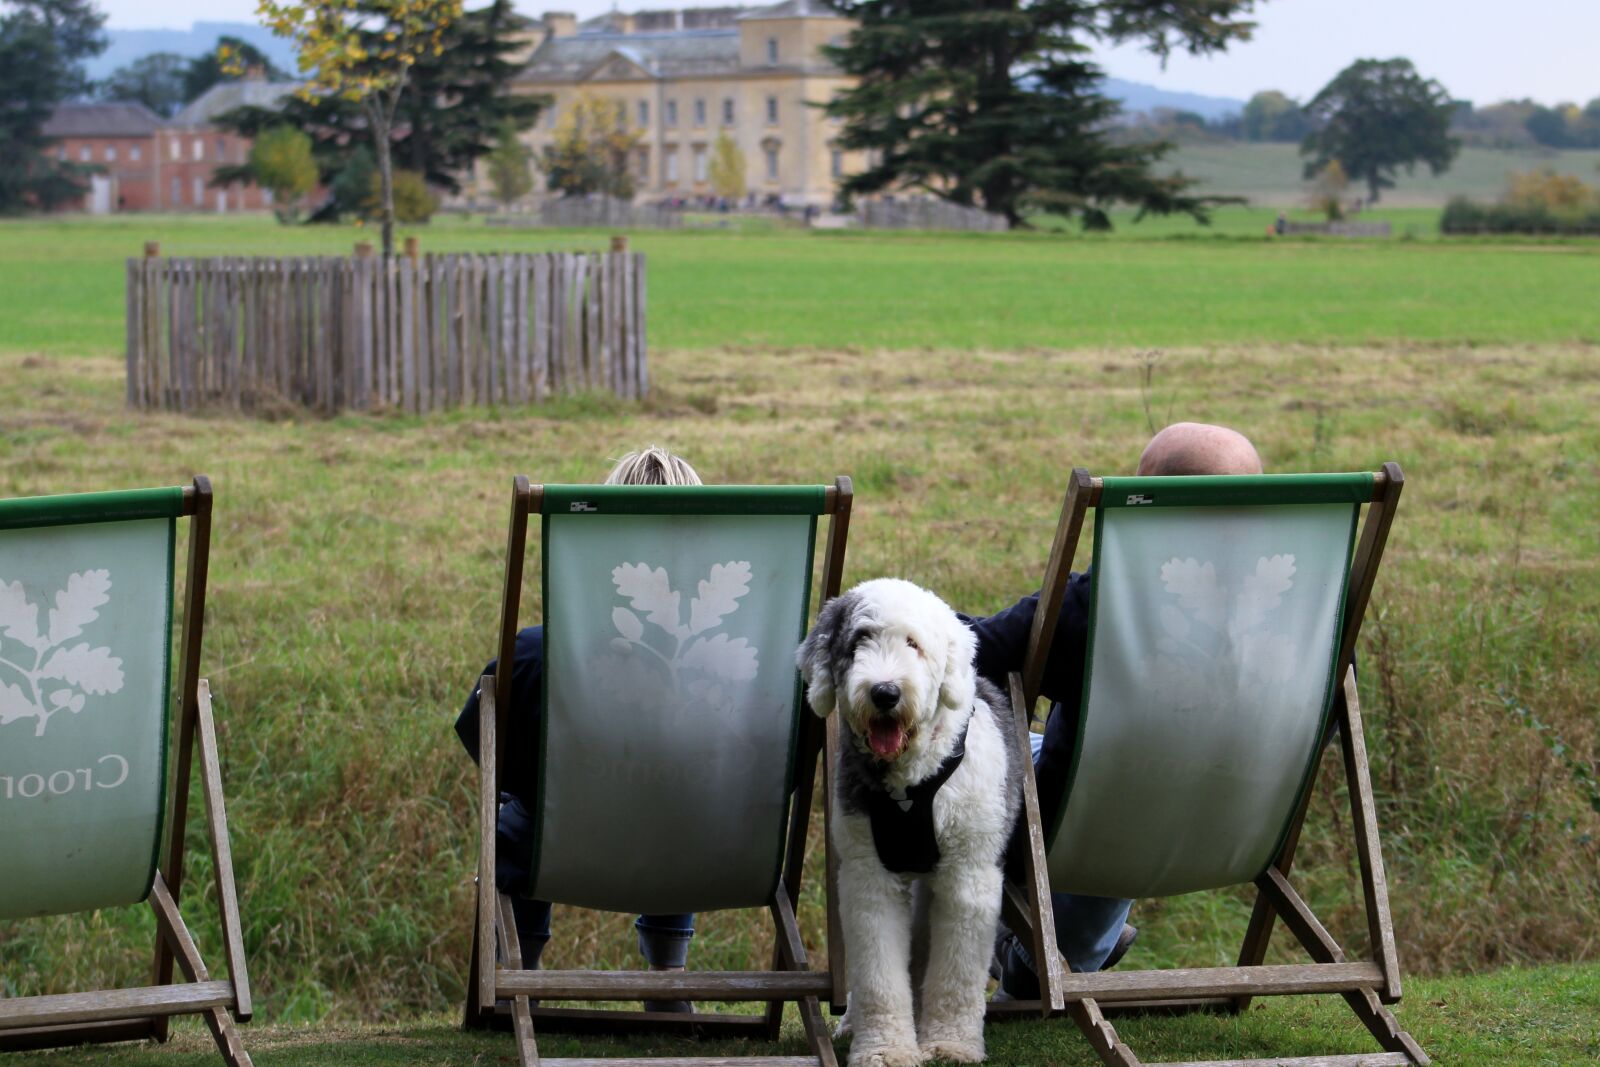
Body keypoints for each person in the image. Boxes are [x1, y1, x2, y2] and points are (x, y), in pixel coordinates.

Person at [962, 423, 1265, 995]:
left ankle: (1019, 958)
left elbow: (968, 653)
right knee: (1132, 777)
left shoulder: (1100, 606)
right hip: (1238, 823)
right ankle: (1052, 959)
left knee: (1078, 780)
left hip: (1101, 812)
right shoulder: (1306, 614)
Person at [454, 446, 704, 1012]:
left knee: (521, 813)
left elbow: (484, 746)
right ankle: (669, 977)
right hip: (696, 851)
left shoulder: (537, 656)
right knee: (680, 803)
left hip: (559, 846)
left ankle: (519, 978)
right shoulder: (735, 673)